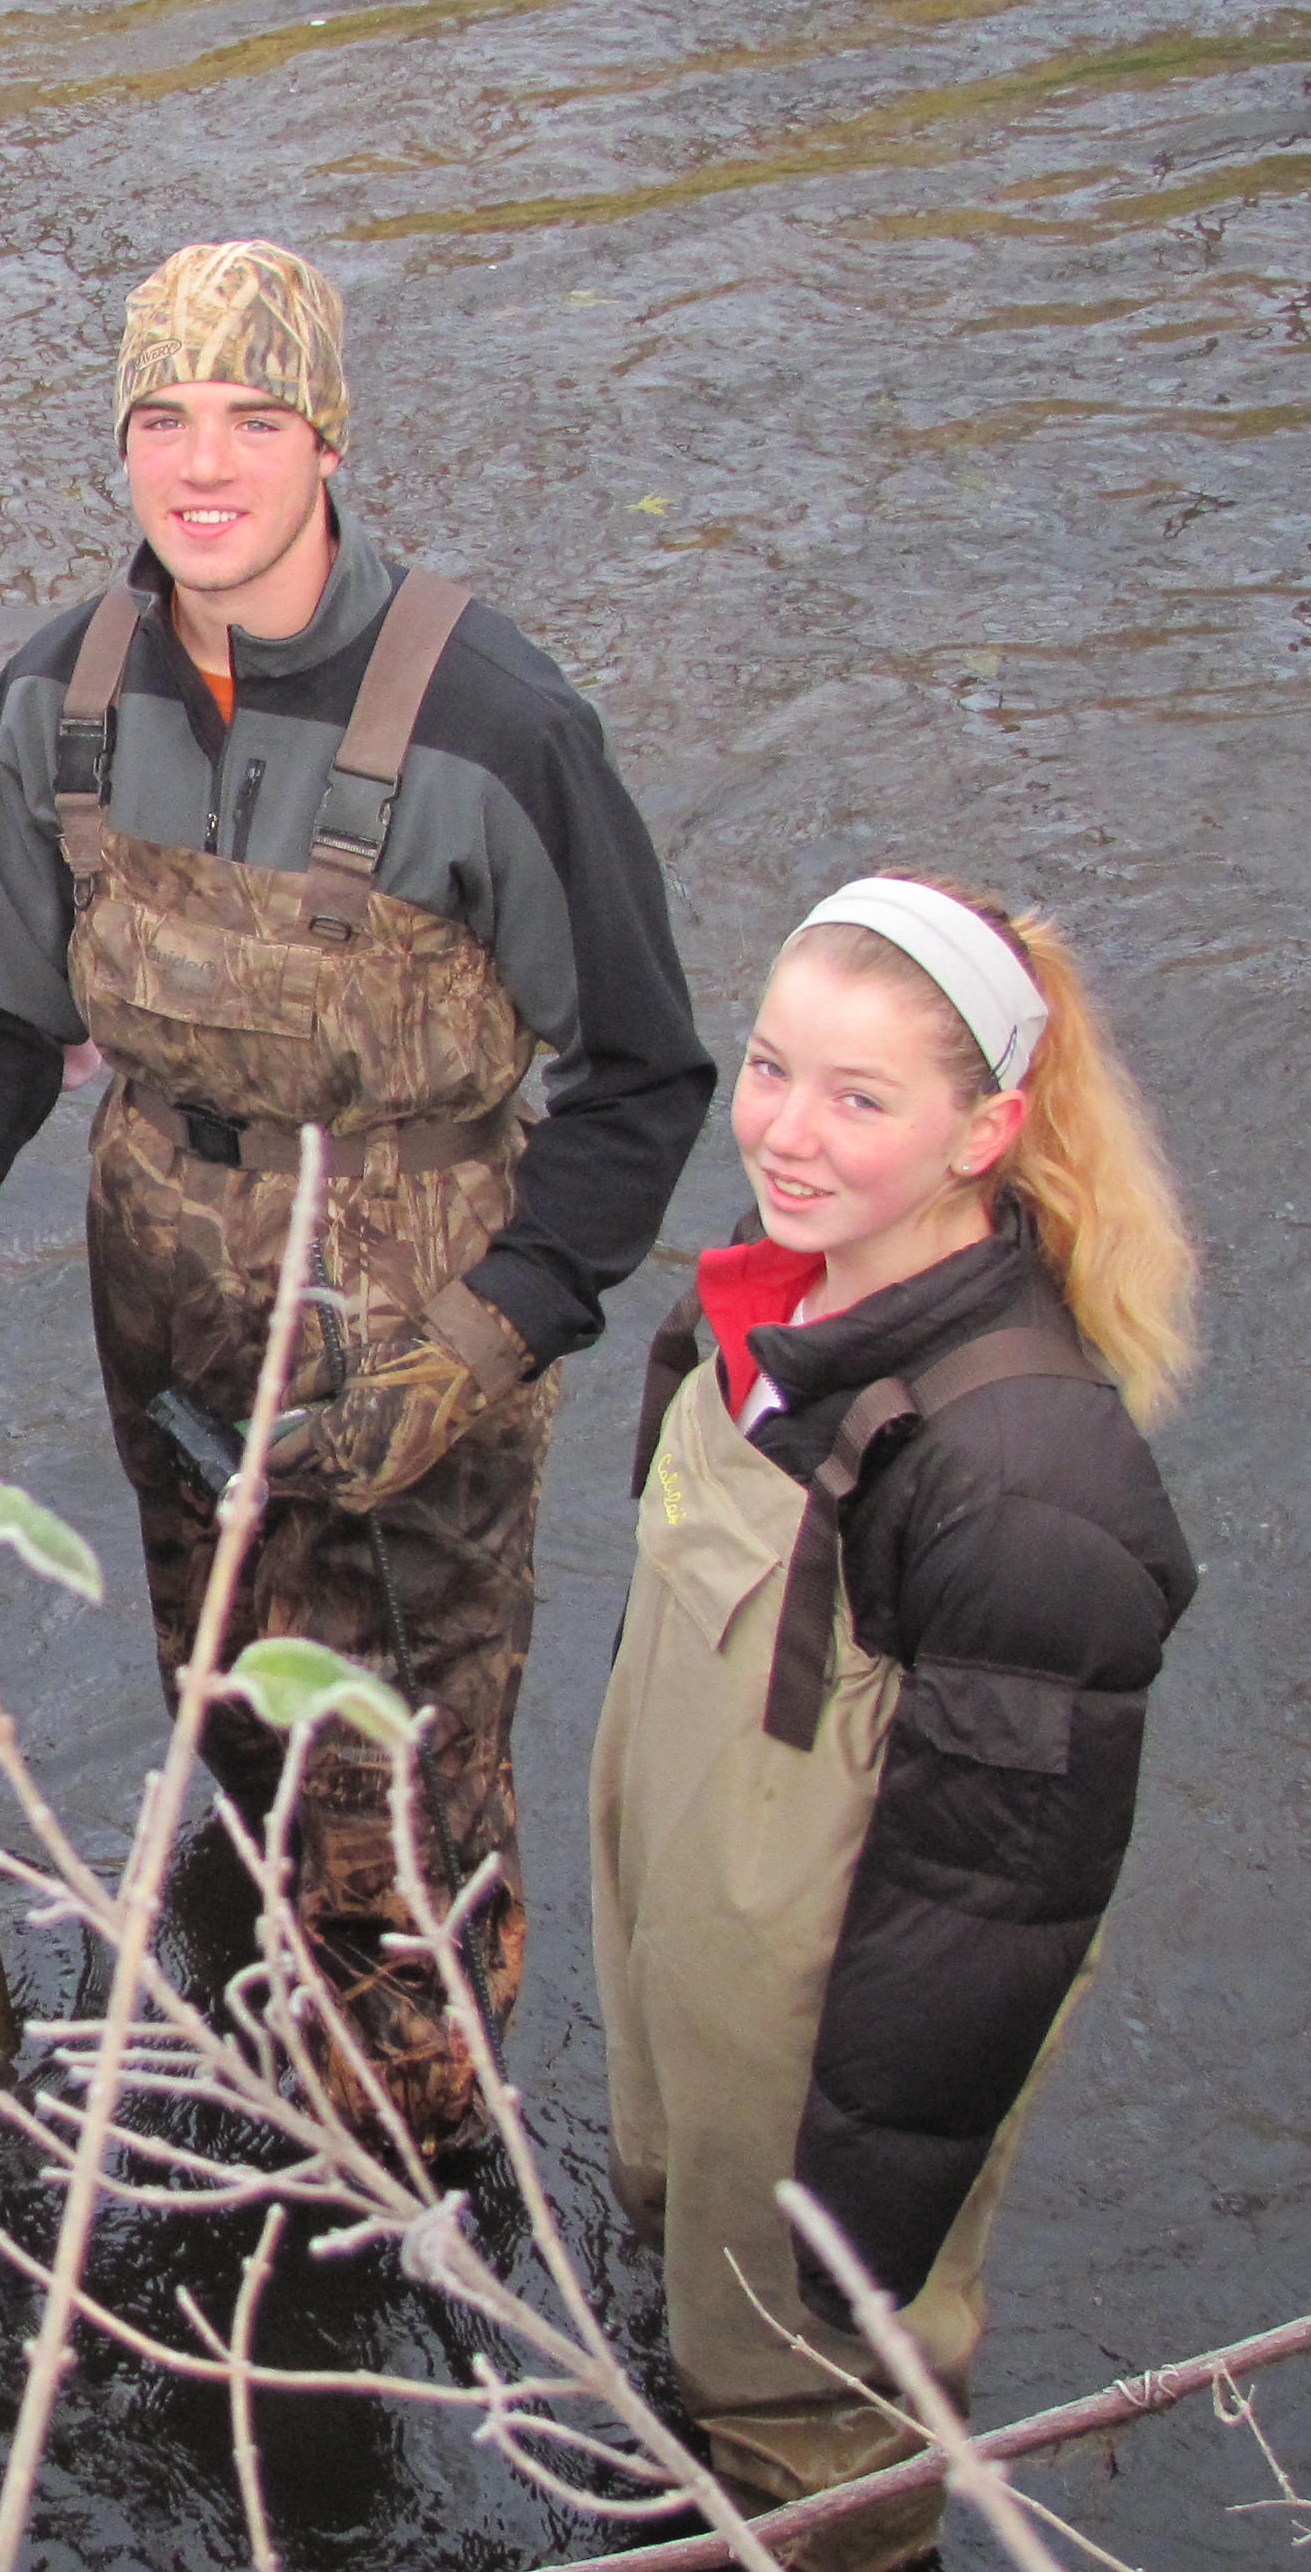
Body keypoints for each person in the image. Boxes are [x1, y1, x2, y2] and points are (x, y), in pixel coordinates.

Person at [0, 240, 715, 2143]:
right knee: (223, 1708)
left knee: (409, 1800)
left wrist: (477, 1346)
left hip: (415, 1342)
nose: (202, 463)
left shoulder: (498, 725)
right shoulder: (61, 694)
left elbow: (644, 1081)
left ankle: (426, 2189)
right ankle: (252, 2033)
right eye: (161, 418)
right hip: (166, 1310)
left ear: (328, 437)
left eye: (252, 418)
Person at [594, 875, 1194, 2568]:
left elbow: (991, 1908)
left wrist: (855, 2238)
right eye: (774, 1070)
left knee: (813, 2407)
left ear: (985, 1128)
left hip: (830, 2026)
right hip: (702, 1941)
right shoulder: (767, 1311)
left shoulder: (1026, 1481)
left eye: (862, 1100)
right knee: (704, 2297)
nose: (786, 1133)